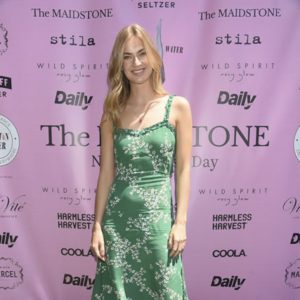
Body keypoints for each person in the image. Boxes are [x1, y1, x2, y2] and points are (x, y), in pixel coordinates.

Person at [90, 23, 192, 300]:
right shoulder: (112, 111)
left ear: (154, 57)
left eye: (141, 53)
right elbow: (107, 173)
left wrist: (180, 222)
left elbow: (183, 169)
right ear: (119, 65)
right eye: (126, 56)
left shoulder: (178, 106)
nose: (136, 62)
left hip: (159, 225)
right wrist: (98, 226)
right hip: (117, 225)